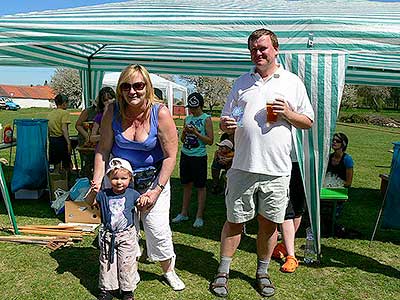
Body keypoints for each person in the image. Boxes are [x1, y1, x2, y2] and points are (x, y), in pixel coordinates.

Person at [209, 28, 314, 298]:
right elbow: (226, 118)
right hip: (242, 166)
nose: (258, 53)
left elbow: (308, 121)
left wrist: (289, 113)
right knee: (234, 221)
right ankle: (223, 271)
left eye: (263, 48)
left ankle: (262, 271)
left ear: (276, 49)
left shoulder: (292, 82)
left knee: (268, 224)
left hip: (277, 169)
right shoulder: (241, 82)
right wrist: (225, 123)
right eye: (253, 49)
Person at [92, 64, 185, 291]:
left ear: (147, 87)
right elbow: (103, 149)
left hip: (153, 180)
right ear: (119, 89)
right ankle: (127, 273)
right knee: (122, 228)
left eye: (138, 85)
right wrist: (96, 185)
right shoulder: (112, 111)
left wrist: (156, 191)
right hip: (119, 181)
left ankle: (168, 270)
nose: (132, 91)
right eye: (126, 86)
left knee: (157, 228)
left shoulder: (160, 112)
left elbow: (171, 155)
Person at [87, 158, 144, 300]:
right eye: (115, 178)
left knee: (126, 262)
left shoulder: (133, 194)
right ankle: (107, 289)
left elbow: (142, 207)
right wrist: (93, 191)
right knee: (107, 262)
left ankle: (127, 290)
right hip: (108, 235)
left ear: (130, 178)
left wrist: (145, 201)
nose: (119, 182)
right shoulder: (104, 194)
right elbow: (89, 202)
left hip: (126, 235)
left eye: (123, 178)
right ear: (108, 178)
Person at [172, 92, 214, 228]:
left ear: (200, 106)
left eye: (195, 107)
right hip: (186, 155)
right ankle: (184, 213)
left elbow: (210, 141)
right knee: (186, 185)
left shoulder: (206, 119)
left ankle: (199, 216)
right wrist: (184, 132)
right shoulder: (187, 119)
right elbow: (183, 140)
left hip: (199, 157)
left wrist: (196, 133)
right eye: (190, 107)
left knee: (200, 187)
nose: (192, 110)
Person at [271, 153, 306, 273]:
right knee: (284, 208)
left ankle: (286, 247)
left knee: (298, 208)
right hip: (281, 161)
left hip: (303, 162)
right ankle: (289, 253)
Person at [47, 94, 72, 173]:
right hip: (61, 140)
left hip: (52, 140)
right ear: (64, 103)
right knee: (66, 163)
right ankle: (66, 181)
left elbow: (48, 128)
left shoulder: (51, 114)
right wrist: (68, 143)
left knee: (56, 163)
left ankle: (55, 180)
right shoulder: (65, 113)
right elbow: (64, 129)